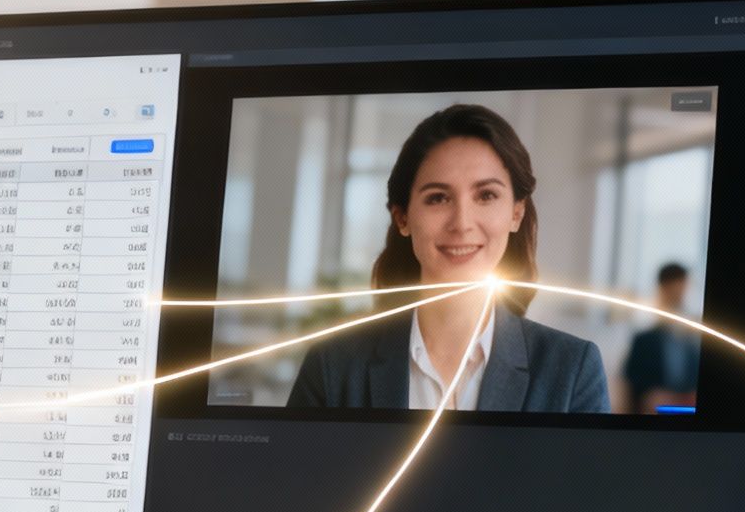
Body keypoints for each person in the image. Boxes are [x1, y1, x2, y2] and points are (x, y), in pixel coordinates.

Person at [286, 103, 609, 413]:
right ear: (402, 218)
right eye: (438, 198)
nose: (462, 223)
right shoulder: (334, 365)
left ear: (516, 213)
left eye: (486, 195)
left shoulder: (571, 370)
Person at [622, 262, 701, 414]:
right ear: (663, 290)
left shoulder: (694, 340)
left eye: (683, 290)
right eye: (675, 291)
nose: (680, 296)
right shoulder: (644, 340)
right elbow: (632, 387)